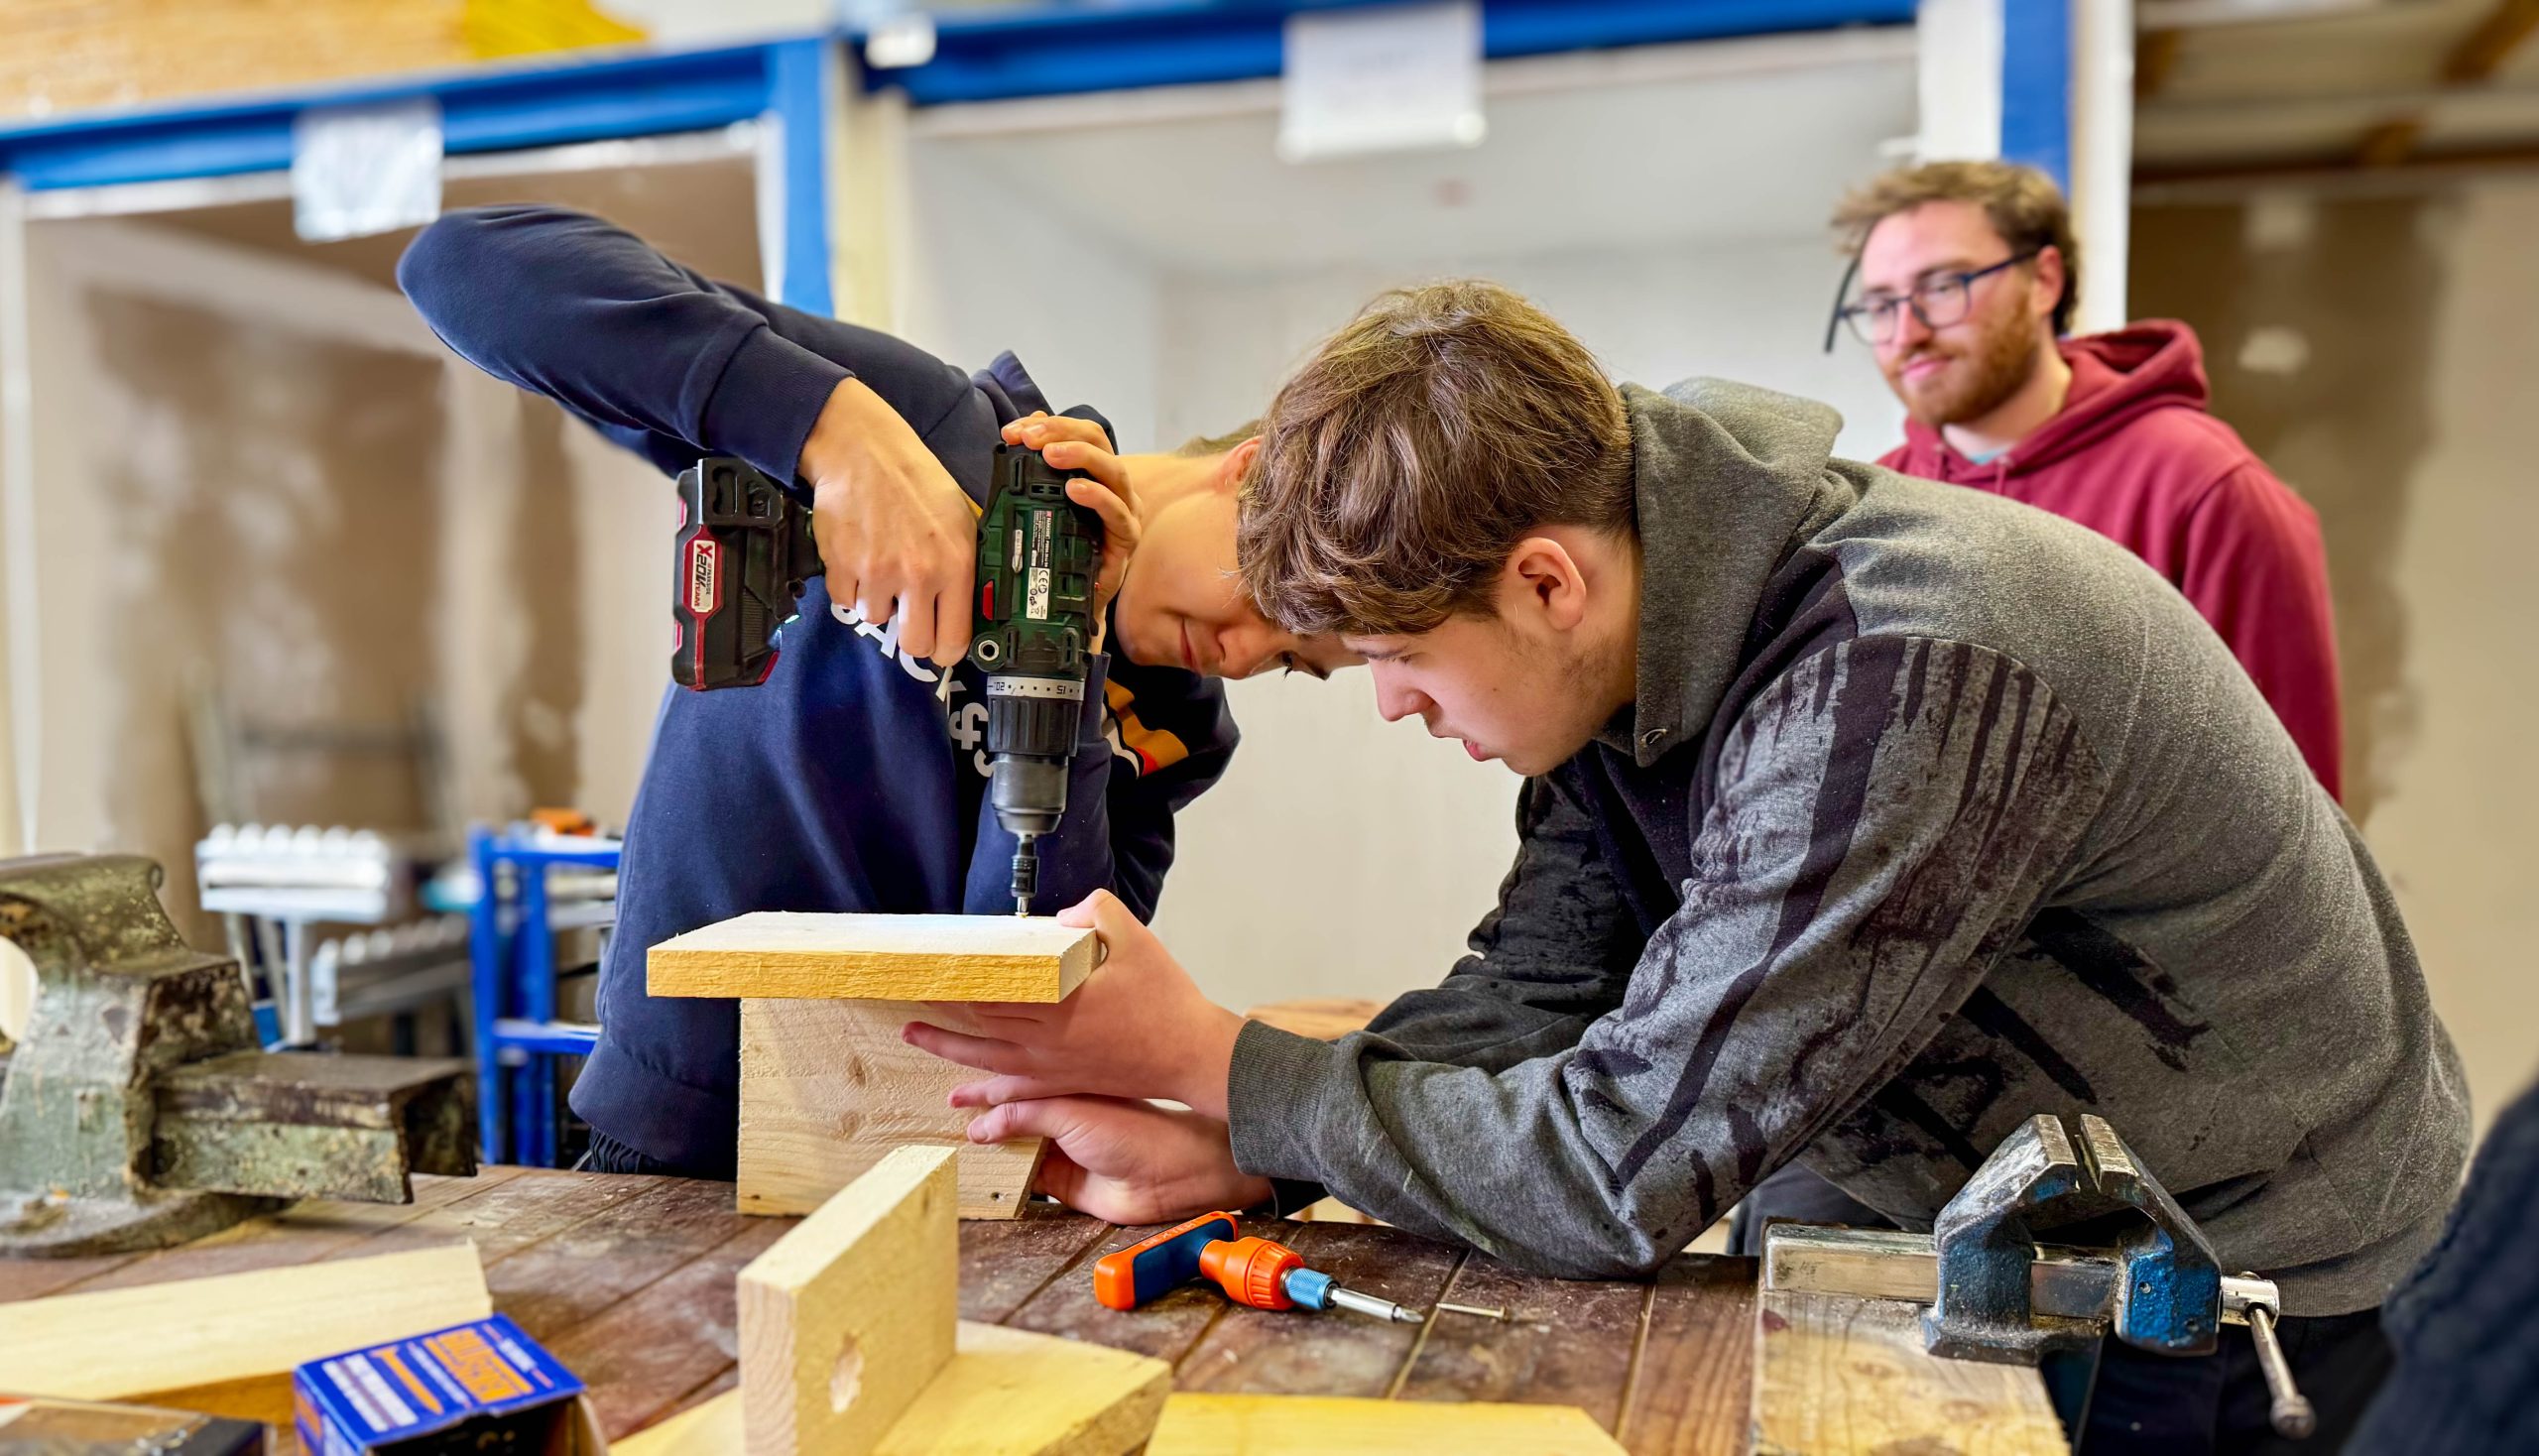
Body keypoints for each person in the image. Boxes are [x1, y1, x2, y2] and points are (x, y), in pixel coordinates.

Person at [908, 280, 2469, 1454]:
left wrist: (1223, 1061)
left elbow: (1626, 1166)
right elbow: (1534, 989)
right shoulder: (1639, 627)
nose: (1390, 703)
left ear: (1544, 580)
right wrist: (1269, 1146)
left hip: (2257, 1261)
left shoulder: (1910, 671)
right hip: (1957, 1190)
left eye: (1397, 659)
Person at [397, 205, 1354, 1179]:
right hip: (680, 1121)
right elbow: (464, 265)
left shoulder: (1172, 735)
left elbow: (1030, 976)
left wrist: (1071, 659)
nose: (1243, 656)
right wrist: (829, 430)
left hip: (937, 1154)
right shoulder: (923, 430)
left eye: (1290, 662)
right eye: (1274, 603)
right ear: (1248, 478)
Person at [1828, 160, 2343, 797]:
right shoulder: (1870, 510)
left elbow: (2294, 817)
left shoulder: (2204, 488)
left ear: (2043, 280)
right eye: (1881, 305)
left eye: (1943, 286)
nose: (1908, 333)